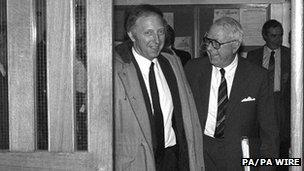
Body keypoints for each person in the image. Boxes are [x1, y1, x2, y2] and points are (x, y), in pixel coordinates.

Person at [114, 4, 204, 171]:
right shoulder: (116, 70)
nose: (156, 40)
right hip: (136, 161)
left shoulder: (172, 62)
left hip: (173, 157)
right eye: (148, 33)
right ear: (132, 35)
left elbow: (187, 115)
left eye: (160, 32)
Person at [185, 17, 279, 171]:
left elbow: (269, 131)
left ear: (235, 45)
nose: (209, 48)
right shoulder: (193, 70)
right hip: (202, 153)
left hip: (240, 156)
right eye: (207, 41)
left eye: (216, 44)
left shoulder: (257, 76)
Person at [247, 20, 290, 170]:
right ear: (265, 36)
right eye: (273, 36)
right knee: (262, 141)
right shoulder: (253, 56)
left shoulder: (290, 55)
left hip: (281, 103)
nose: (278, 39)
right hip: (260, 103)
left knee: (282, 142)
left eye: (280, 35)